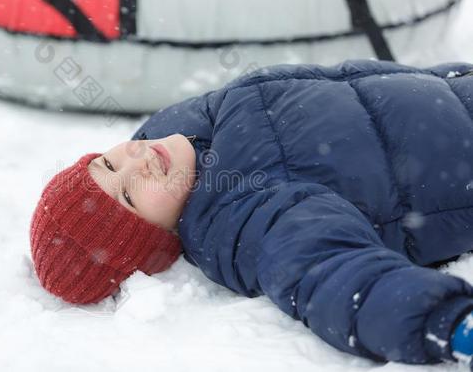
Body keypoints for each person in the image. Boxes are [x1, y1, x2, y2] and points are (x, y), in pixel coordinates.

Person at [29, 59, 473, 369]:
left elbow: (353, 87)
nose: (134, 161)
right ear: (156, 240)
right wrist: (445, 323)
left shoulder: (183, 131)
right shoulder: (240, 220)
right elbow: (331, 272)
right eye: (129, 195)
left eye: (107, 164)